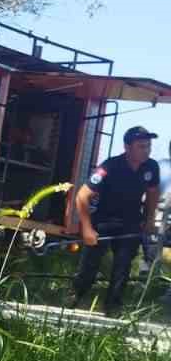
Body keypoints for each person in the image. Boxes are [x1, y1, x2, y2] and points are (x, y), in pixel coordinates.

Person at [68, 125, 161, 313]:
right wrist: (87, 228)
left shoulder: (151, 166)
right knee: (89, 266)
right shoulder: (110, 166)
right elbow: (81, 196)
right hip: (103, 222)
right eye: (141, 146)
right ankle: (74, 300)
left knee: (123, 268)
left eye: (148, 146)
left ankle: (112, 308)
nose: (146, 150)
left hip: (130, 224)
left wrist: (150, 219)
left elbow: (152, 192)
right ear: (127, 147)